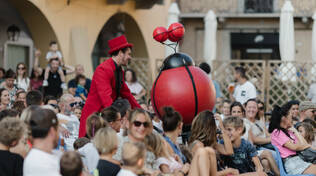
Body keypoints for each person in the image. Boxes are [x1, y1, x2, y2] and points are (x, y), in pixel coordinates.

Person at [79, 35, 141, 137]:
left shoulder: (119, 70)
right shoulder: (103, 69)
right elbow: (105, 97)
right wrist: (117, 117)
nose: (130, 57)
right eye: (128, 54)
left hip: (108, 116)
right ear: (121, 53)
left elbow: (126, 94)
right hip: (94, 118)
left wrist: (141, 111)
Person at [269, 104, 316, 175]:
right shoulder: (277, 132)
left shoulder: (289, 131)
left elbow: (303, 142)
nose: (292, 118)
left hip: (300, 160)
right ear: (284, 118)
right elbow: (294, 147)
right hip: (292, 163)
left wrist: (295, 130)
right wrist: (308, 146)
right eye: (291, 116)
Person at [23, 108, 61, 176]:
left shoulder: (45, 155)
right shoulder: (38, 161)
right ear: (52, 132)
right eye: (58, 130)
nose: (59, 134)